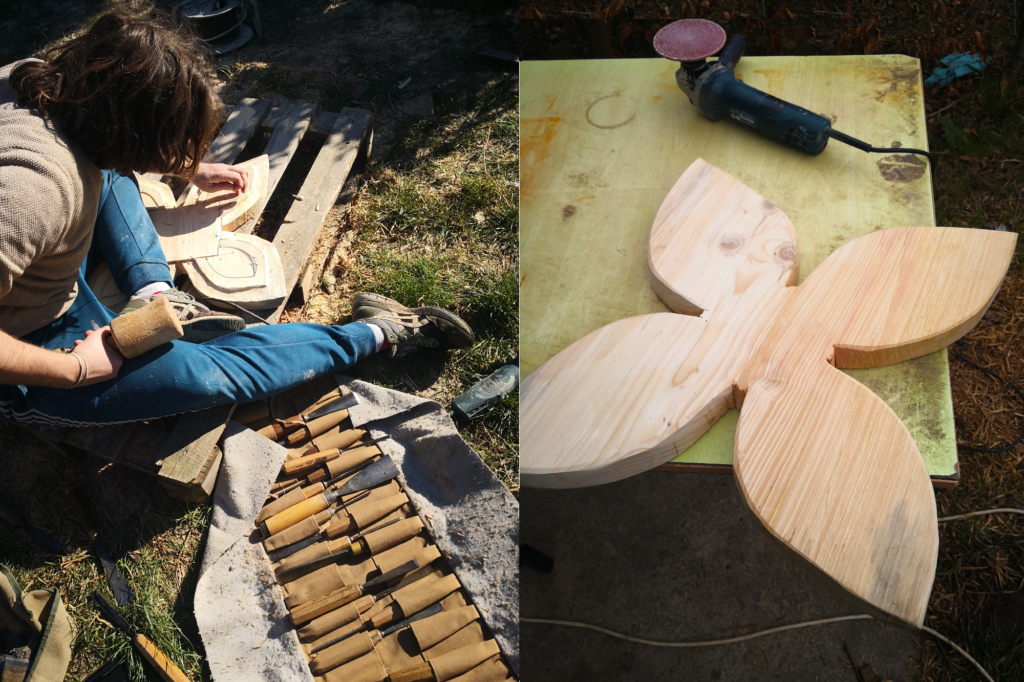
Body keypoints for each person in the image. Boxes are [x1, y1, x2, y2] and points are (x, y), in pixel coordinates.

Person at [0, 12, 472, 427]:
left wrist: (187, 167)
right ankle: (375, 334)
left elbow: (103, 156)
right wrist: (75, 370)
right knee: (209, 376)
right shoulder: (31, 191)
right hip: (34, 335)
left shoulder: (38, 82)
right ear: (129, 130)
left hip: (48, 260)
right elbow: (35, 196)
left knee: (106, 175)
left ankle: (157, 298)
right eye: (161, 142)